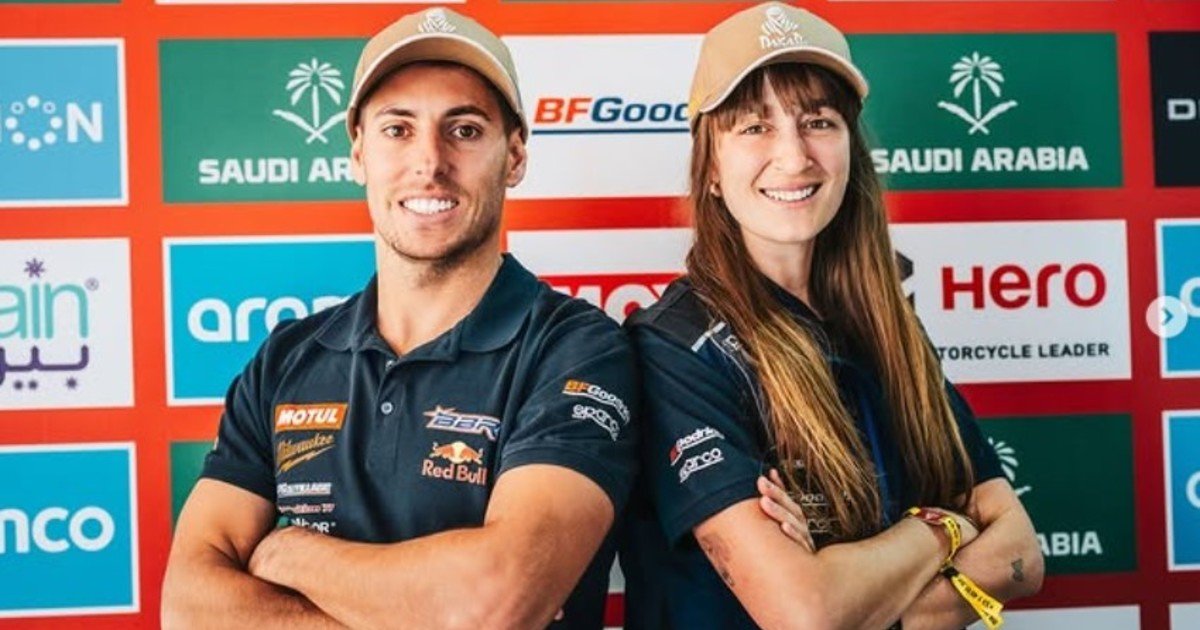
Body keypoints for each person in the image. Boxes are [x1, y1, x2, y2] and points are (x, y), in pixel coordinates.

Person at [162, 8, 638, 629]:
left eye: (464, 130)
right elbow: (188, 607)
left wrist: (290, 553)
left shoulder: (576, 350)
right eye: (397, 129)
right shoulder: (288, 358)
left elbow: (495, 603)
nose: (429, 162)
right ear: (359, 153)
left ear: (515, 156)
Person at [620, 3, 1043, 628]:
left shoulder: (889, 327)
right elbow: (807, 612)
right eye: (754, 127)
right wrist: (943, 527)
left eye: (818, 122)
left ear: (851, 149)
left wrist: (870, 600)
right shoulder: (673, 348)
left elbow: (1021, 555)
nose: (794, 157)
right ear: (710, 168)